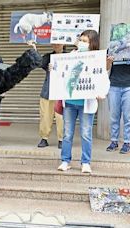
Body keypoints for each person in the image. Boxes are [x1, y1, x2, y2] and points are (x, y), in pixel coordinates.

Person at [57, 30, 109, 173]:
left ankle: (85, 162)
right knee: (67, 133)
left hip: (87, 103)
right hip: (70, 102)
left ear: (92, 43)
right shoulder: (71, 56)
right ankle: (65, 160)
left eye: (85, 41)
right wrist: (53, 69)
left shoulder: (97, 58)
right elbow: (61, 73)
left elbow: (103, 79)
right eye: (81, 40)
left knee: (86, 133)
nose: (82, 43)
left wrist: (101, 93)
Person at [38, 44, 65, 149]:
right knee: (45, 116)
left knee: (62, 117)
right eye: (54, 43)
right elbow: (38, 62)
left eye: (59, 43)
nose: (56, 45)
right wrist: (34, 48)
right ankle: (44, 138)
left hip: (62, 92)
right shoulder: (48, 57)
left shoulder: (69, 56)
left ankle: (62, 139)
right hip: (48, 90)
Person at [106, 57, 130, 154]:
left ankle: (127, 142)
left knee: (128, 117)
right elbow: (106, 68)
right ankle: (114, 141)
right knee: (113, 116)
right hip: (114, 85)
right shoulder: (112, 47)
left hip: (128, 85)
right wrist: (109, 61)